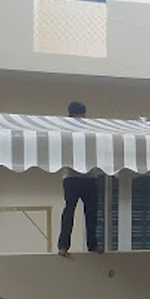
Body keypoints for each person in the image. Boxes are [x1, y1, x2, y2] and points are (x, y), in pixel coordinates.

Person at [58, 101, 103, 256]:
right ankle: (63, 245)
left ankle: (92, 244)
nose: (81, 120)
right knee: (69, 210)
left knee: (92, 212)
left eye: (82, 117)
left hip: (90, 176)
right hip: (72, 176)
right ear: (70, 116)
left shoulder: (90, 130)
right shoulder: (65, 131)